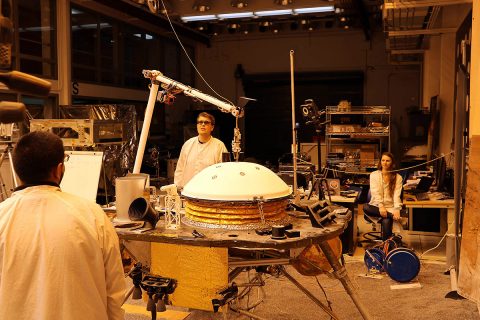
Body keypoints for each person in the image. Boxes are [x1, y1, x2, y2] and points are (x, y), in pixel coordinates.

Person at [0, 131, 125, 320]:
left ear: (18, 171)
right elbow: (114, 292)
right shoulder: (93, 215)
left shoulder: (2, 216)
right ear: (59, 169)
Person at [174, 112, 228, 189]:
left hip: (209, 191)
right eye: (200, 122)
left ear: (212, 127)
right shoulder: (188, 144)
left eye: (206, 122)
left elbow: (223, 171)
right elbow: (180, 168)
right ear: (197, 126)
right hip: (188, 191)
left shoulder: (219, 146)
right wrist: (178, 187)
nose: (203, 124)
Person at [363, 152, 403, 240]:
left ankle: (385, 248)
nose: (385, 163)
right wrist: (381, 206)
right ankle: (392, 216)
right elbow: (375, 192)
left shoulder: (398, 177)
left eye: (388, 161)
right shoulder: (374, 175)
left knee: (386, 221)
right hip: (377, 206)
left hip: (390, 207)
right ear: (380, 162)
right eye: (383, 160)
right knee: (366, 207)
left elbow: (397, 194)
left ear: (392, 163)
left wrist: (397, 209)